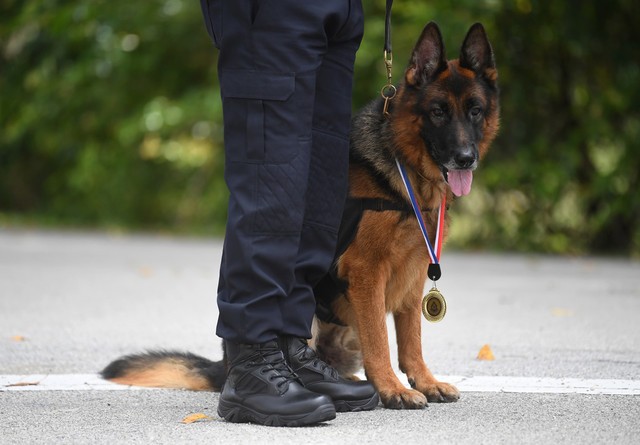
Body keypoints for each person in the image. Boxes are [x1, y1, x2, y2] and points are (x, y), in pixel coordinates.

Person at [199, 0, 379, 427]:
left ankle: (287, 344)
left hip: (337, 12)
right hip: (275, 11)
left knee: (319, 181)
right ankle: (250, 361)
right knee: (271, 179)